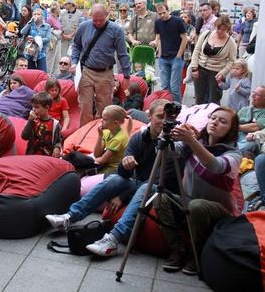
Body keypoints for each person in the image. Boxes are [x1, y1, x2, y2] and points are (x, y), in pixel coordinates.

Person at [45, 100, 180, 253]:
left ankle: (113, 239)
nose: (164, 121)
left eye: (169, 117)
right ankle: (70, 217)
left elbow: (159, 180)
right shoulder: (139, 138)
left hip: (161, 191)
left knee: (143, 187)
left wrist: (122, 196)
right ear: (150, 116)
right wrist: (126, 164)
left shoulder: (175, 144)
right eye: (160, 116)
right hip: (139, 184)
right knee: (115, 178)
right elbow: (122, 173)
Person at [153, 107, 241, 275]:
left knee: (197, 205)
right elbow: (166, 152)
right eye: (213, 118)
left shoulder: (234, 154)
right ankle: (178, 250)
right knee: (160, 196)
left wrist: (191, 141)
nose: (215, 122)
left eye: (223, 121)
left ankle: (197, 254)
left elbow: (215, 166)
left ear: (231, 129)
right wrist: (166, 134)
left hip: (218, 212)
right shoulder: (197, 142)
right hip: (189, 203)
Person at [71, 4, 131, 126]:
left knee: (104, 108)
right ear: (90, 16)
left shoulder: (116, 30)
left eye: (101, 20)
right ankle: (85, 134)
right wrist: (74, 61)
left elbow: (122, 54)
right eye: (95, 20)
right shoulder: (84, 27)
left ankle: (102, 134)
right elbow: (76, 45)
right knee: (85, 106)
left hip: (105, 73)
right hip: (87, 71)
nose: (98, 23)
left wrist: (126, 75)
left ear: (107, 15)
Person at [190, 15, 237, 105]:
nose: (219, 32)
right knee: (199, 99)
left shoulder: (231, 42)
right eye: (217, 28)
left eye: (223, 30)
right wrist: (194, 68)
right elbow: (196, 50)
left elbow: (232, 61)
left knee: (214, 100)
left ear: (228, 30)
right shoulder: (206, 34)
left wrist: (223, 72)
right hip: (201, 69)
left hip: (216, 73)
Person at [154, 3, 188, 103]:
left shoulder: (178, 21)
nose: (162, 15)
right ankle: (165, 107)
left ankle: (177, 108)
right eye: (160, 14)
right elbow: (158, 38)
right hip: (163, 57)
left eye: (164, 13)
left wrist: (178, 55)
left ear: (168, 11)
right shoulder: (158, 22)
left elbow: (184, 38)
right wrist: (159, 53)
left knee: (174, 88)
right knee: (164, 86)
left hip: (176, 58)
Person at [22, 92, 62, 157]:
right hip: (32, 157)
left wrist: (57, 147)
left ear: (47, 108)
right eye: (33, 107)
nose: (34, 110)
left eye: (37, 107)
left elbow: (59, 140)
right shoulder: (32, 121)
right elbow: (24, 136)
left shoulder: (55, 123)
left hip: (47, 158)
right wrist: (30, 121)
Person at [92, 105, 130, 174]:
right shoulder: (107, 132)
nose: (101, 120)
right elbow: (96, 154)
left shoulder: (118, 139)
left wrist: (89, 161)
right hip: (106, 164)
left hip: (113, 168)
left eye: (105, 119)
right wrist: (100, 136)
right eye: (102, 118)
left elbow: (103, 160)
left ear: (115, 122)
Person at [56, 0, 82, 75]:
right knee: (63, 57)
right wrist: (62, 34)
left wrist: (71, 35)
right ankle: (63, 74)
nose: (65, 5)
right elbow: (58, 24)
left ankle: (71, 74)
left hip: (74, 40)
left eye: (67, 4)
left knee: (72, 57)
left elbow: (80, 27)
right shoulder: (63, 13)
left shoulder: (80, 14)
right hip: (63, 39)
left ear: (71, 4)